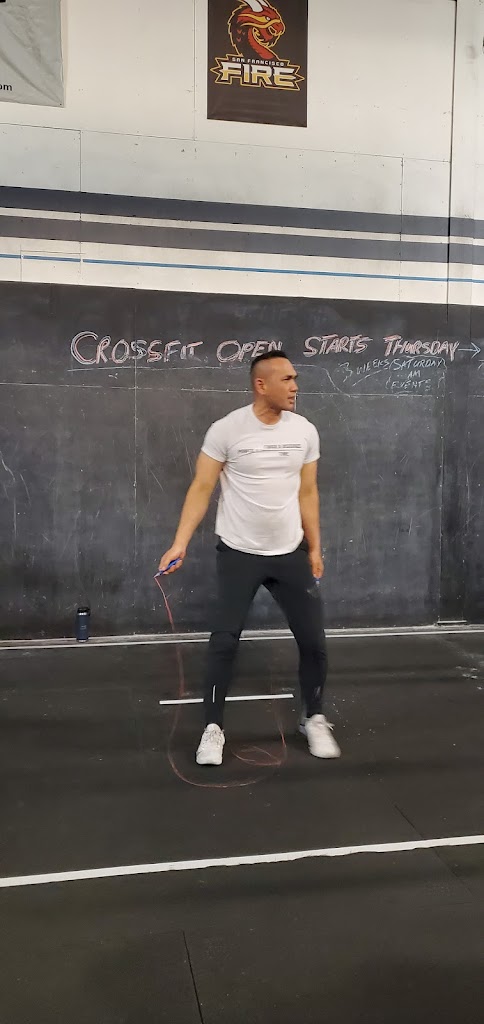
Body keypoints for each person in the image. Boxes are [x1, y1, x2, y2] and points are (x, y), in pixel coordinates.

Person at [158, 351, 341, 766]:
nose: (295, 387)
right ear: (262, 385)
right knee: (224, 641)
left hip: (290, 553)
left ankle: (313, 717)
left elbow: (308, 492)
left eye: (295, 378)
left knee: (314, 642)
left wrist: (315, 547)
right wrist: (179, 543)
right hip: (239, 553)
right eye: (287, 379)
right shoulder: (227, 430)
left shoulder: (305, 431)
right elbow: (201, 487)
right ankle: (213, 728)